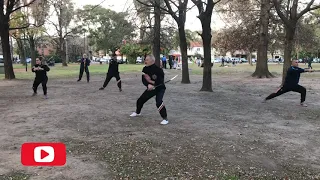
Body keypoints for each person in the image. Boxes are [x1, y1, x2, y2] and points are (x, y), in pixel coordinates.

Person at [130, 55, 169, 125]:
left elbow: (160, 81)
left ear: (152, 61)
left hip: (160, 88)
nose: (145, 61)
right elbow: (144, 79)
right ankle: (137, 112)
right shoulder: (145, 69)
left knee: (159, 102)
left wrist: (152, 83)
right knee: (140, 100)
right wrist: (148, 84)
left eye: (147, 60)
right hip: (151, 88)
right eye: (145, 59)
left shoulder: (158, 70)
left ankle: (165, 118)